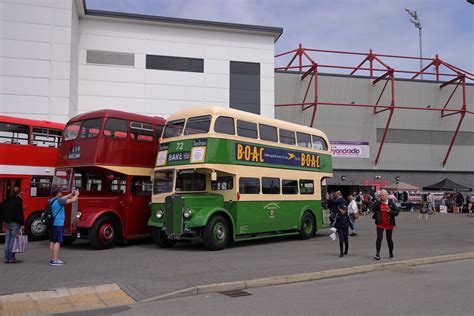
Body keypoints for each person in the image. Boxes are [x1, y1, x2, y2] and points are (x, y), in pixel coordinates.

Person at [49, 188, 79, 266]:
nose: (61, 192)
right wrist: (76, 195)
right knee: (57, 242)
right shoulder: (59, 201)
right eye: (60, 192)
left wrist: (70, 194)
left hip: (52, 223)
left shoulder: (51, 200)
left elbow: (64, 198)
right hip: (58, 223)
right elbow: (72, 200)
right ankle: (55, 260)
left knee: (52, 241)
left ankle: (52, 259)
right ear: (57, 193)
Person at [371, 189, 399, 260]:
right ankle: (377, 254)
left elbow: (397, 212)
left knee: (389, 239)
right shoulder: (378, 202)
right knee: (379, 238)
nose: (382, 197)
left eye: (383, 195)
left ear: (387, 196)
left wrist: (390, 211)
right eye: (380, 195)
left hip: (389, 223)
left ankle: (391, 253)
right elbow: (373, 209)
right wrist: (378, 201)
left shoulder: (390, 202)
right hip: (380, 223)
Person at [1, 187, 25, 264]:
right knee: (13, 240)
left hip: (7, 222)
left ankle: (6, 258)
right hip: (15, 223)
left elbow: (2, 210)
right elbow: (20, 213)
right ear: (18, 193)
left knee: (7, 240)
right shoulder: (18, 201)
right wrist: (22, 224)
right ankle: (11, 258)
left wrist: (3, 220)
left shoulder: (6, 200)